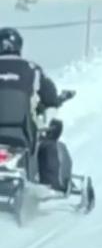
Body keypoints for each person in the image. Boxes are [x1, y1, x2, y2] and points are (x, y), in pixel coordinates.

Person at [0, 27, 71, 191]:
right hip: (21, 135)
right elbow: (50, 97)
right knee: (48, 145)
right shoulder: (32, 69)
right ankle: (52, 191)